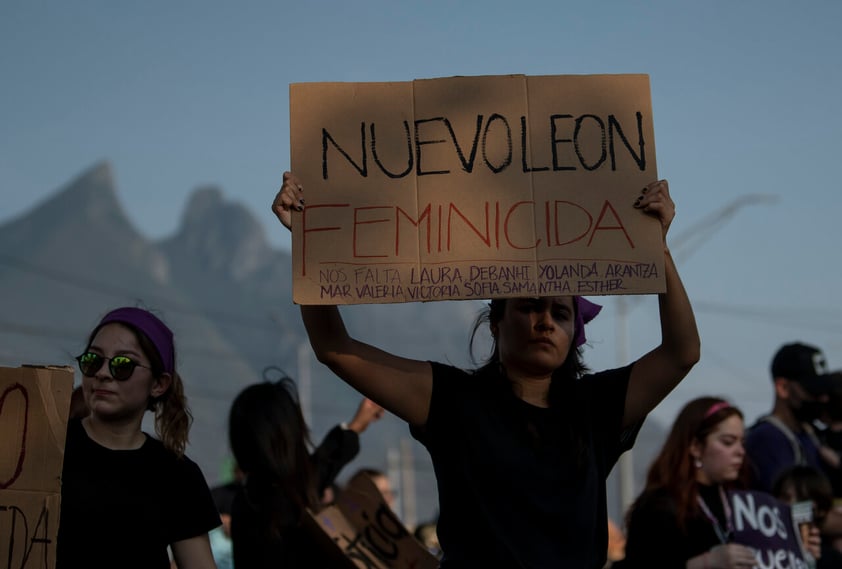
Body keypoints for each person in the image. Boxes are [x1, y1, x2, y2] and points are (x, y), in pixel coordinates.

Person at [272, 173, 701, 568]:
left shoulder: (597, 406)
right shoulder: (450, 398)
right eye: (530, 306)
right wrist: (307, 243)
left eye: (561, 313)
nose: (546, 321)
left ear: (575, 331)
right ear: (496, 321)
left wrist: (657, 245)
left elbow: (682, 352)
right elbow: (334, 348)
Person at [57, 306, 220, 569]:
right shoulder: (45, 449)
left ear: (159, 384)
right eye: (92, 360)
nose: (102, 373)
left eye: (122, 364)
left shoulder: (178, 475)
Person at [227, 377, 384, 569]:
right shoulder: (294, 492)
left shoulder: (245, 501)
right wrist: (357, 425)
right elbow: (325, 462)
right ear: (291, 433)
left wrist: (357, 425)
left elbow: (325, 461)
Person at [617, 397, 756, 569]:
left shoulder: (741, 499)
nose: (740, 451)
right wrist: (703, 563)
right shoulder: (660, 504)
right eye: (728, 442)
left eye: (742, 442)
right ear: (695, 446)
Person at [744, 342, 832, 494]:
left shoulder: (812, 434)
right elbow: (785, 509)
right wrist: (827, 515)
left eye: (824, 390)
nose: (823, 398)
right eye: (814, 391)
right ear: (783, 388)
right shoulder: (767, 439)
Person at [771, 465, 833, 567]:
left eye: (802, 500)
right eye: (786, 497)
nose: (792, 505)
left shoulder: (832, 561)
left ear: (820, 510)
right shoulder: (762, 550)